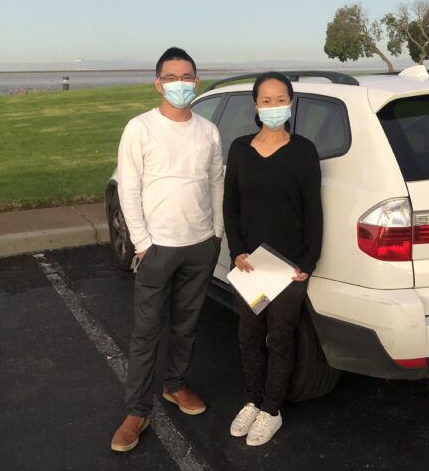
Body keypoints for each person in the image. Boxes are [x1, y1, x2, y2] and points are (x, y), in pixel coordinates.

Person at [110, 47, 223, 453]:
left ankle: (176, 385)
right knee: (146, 333)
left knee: (186, 325)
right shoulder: (140, 128)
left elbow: (215, 182)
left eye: (187, 76)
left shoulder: (208, 131)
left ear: (197, 81)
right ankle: (137, 411)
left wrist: (217, 233)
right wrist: (142, 243)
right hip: (157, 248)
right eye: (171, 77)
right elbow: (129, 188)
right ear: (158, 84)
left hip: (200, 244)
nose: (180, 84)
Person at [223, 71, 323, 446]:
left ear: (290, 103)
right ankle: (253, 400)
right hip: (251, 265)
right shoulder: (240, 149)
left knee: (279, 339)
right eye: (266, 100)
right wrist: (237, 250)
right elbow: (231, 206)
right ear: (256, 105)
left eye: (280, 99)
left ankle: (272, 409)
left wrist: (308, 263)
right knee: (249, 336)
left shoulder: (303, 151)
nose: (274, 106)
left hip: (288, 267)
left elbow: (313, 211)